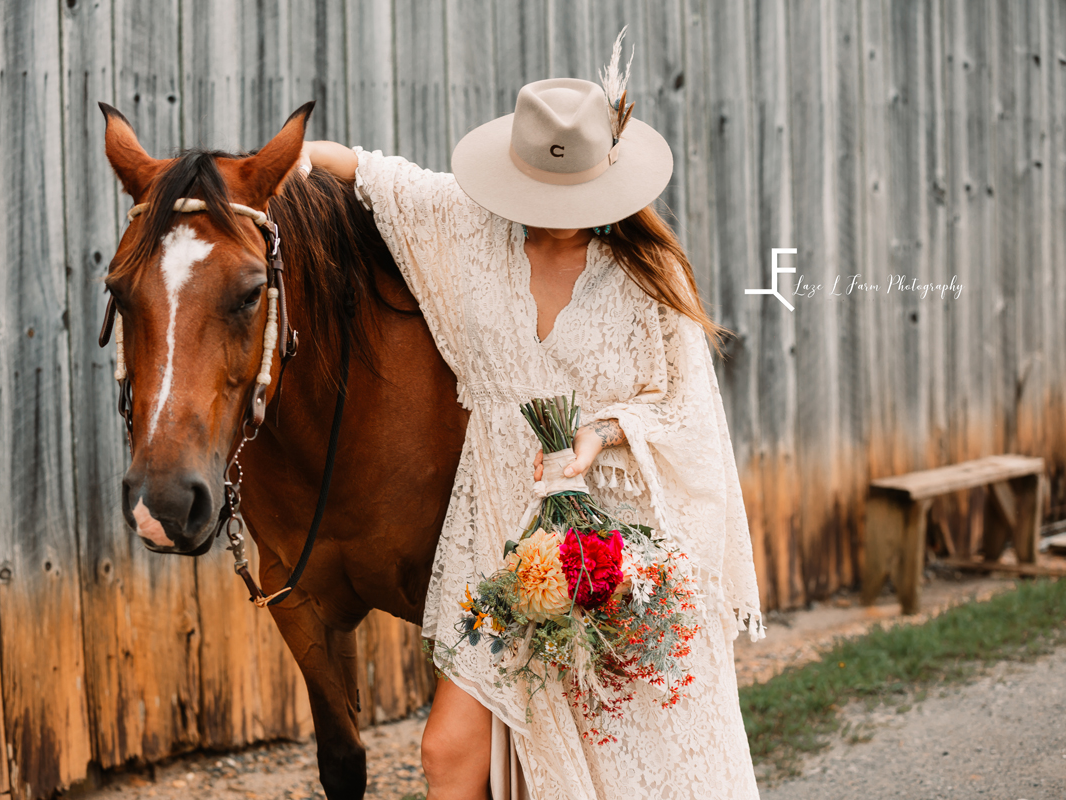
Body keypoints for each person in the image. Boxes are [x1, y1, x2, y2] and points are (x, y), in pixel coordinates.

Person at [301, 69, 764, 800]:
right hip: (501, 551)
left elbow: (685, 414)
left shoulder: (649, 274)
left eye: (574, 194)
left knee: (625, 764)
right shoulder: (463, 227)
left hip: (616, 553)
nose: (556, 210)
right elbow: (360, 170)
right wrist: (264, 171)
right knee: (447, 753)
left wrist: (599, 435)